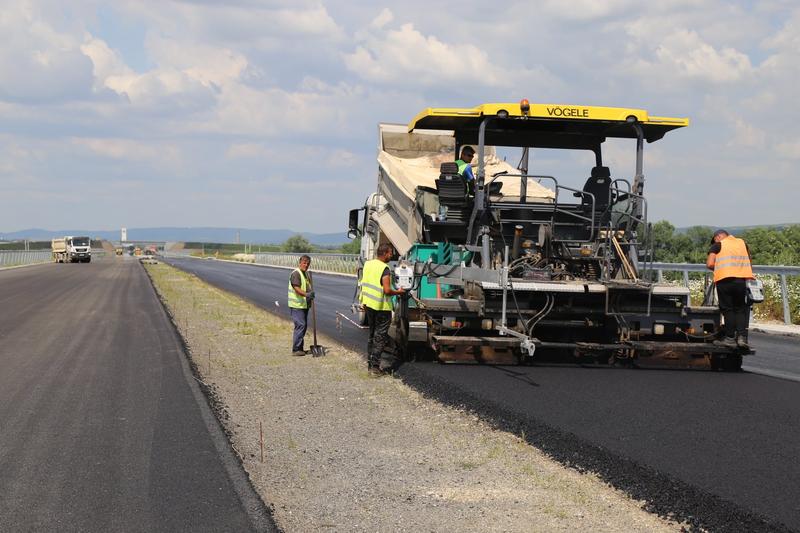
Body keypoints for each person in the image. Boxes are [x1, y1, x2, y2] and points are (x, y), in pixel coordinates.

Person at [359, 243, 406, 375]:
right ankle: (375, 368)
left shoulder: (368, 264)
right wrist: (399, 292)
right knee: (380, 337)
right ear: (385, 253)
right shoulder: (384, 269)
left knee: (372, 335)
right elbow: (386, 290)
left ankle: (370, 364)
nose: (391, 255)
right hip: (381, 307)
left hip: (369, 305)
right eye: (390, 253)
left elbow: (364, 283)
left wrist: (362, 301)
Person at [706, 229, 754, 349]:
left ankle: (730, 339)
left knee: (728, 310)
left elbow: (710, 264)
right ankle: (742, 338)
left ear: (718, 237)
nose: (715, 241)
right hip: (740, 280)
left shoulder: (717, 245)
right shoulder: (742, 243)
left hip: (724, 281)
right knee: (740, 309)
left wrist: (720, 269)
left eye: (715, 239)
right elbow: (749, 261)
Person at [288, 255, 314, 356]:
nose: (306, 265)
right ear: (300, 263)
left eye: (308, 263)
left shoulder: (305, 274)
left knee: (303, 326)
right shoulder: (296, 274)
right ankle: (296, 349)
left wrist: (311, 293)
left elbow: (307, 287)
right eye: (304, 263)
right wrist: (307, 294)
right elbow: (296, 288)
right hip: (297, 305)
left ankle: (300, 348)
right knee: (300, 325)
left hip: (303, 305)